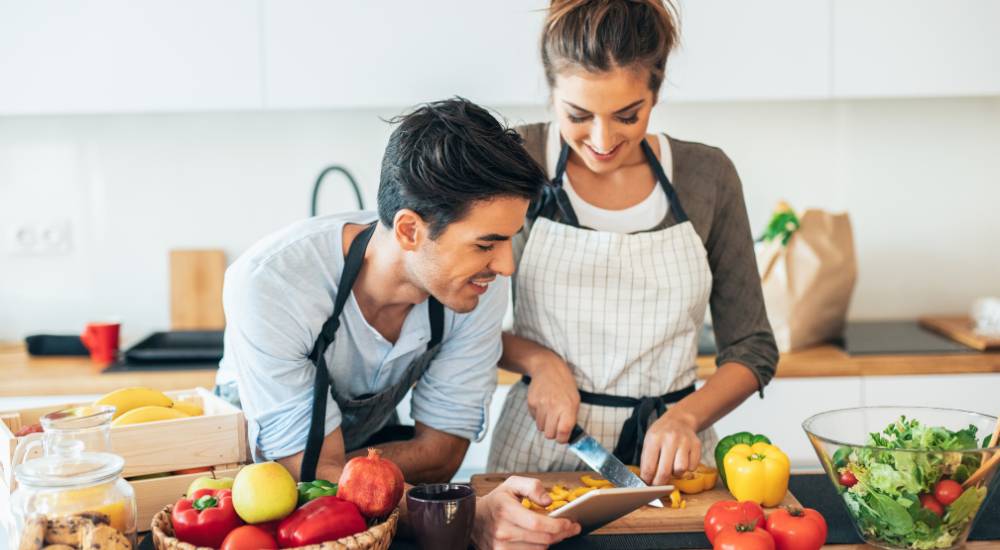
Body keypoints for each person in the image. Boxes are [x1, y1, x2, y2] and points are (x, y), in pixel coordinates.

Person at [215, 98, 580, 548]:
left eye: (508, 241)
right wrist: (458, 514)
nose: (506, 265)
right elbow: (301, 477)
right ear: (409, 230)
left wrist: (344, 472)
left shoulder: (473, 283)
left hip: (375, 515)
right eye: (487, 244)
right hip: (254, 509)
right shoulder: (273, 284)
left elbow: (441, 455)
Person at [488, 0, 780, 488]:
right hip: (540, 450)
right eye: (578, 114)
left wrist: (686, 417)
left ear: (656, 90)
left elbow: (753, 348)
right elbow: (457, 322)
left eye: (627, 115)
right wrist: (540, 363)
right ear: (551, 89)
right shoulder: (518, 161)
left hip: (672, 458)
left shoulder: (707, 177)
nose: (602, 139)